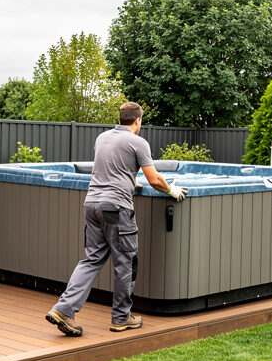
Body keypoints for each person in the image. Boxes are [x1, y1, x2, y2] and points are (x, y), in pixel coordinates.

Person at [46, 102, 187, 336]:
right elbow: (154, 179)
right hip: (117, 208)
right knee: (125, 263)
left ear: (120, 118)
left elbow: (112, 168)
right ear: (138, 120)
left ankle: (63, 309)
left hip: (92, 204)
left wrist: (131, 181)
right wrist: (171, 190)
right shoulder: (138, 142)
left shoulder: (102, 138)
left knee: (91, 260)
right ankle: (122, 318)